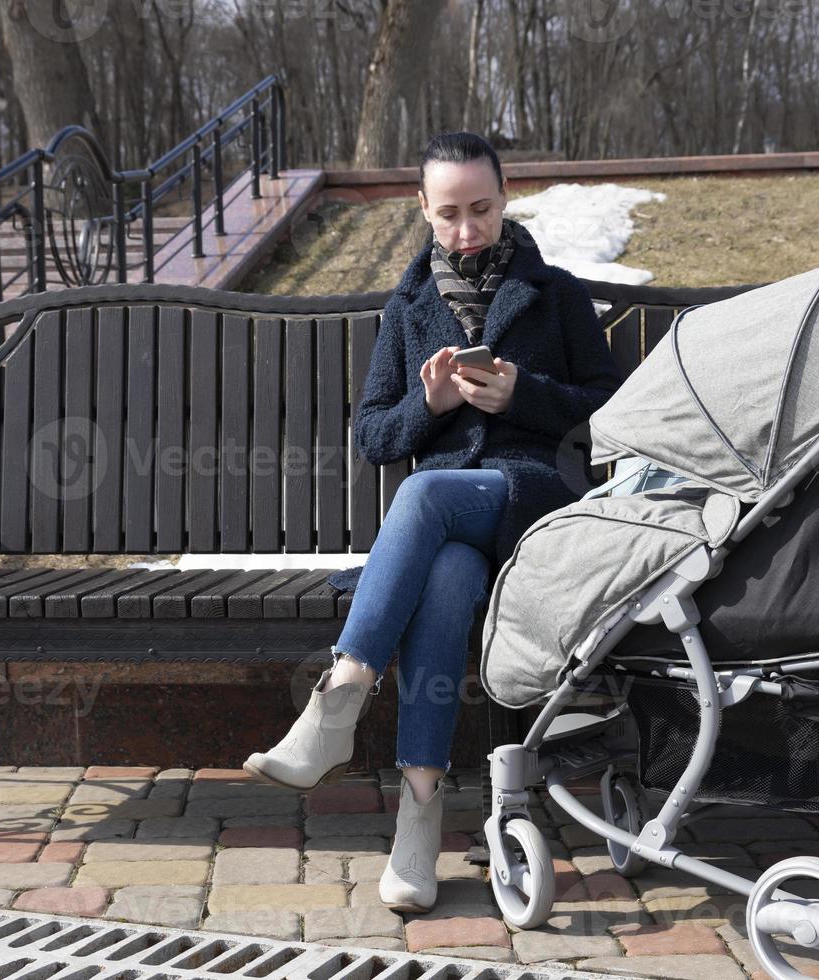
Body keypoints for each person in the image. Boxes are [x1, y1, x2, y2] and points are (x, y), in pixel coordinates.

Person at [243, 131, 624, 912]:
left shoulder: (555, 294)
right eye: (447, 213)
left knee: (421, 496)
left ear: (505, 196)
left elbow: (611, 410)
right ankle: (419, 815)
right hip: (451, 531)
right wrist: (434, 404)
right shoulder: (410, 307)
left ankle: (342, 692)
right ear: (421, 209)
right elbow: (375, 434)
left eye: (480, 209)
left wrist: (523, 396)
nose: (465, 230)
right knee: (446, 578)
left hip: (532, 502)